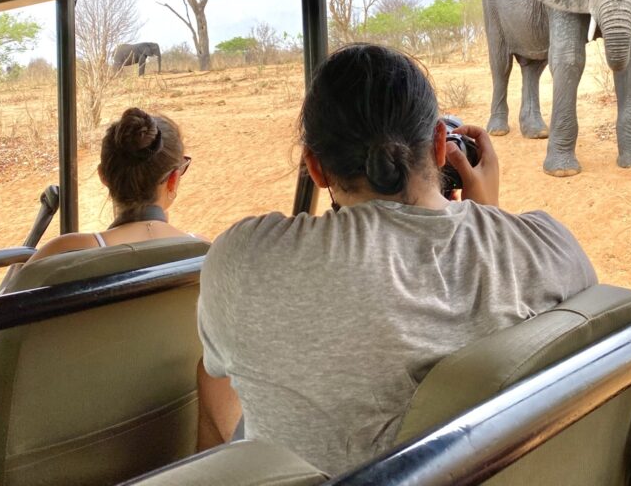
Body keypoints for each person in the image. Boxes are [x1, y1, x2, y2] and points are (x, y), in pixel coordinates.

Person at [196, 44, 597, 475]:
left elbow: (219, 373)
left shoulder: (245, 263)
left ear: (315, 167)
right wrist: (488, 220)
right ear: (442, 146)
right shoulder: (552, 245)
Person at [0, 107, 197, 450]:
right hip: (138, 442)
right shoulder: (202, 257)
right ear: (173, 178)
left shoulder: (61, 256)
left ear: (104, 177)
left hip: (17, 448)